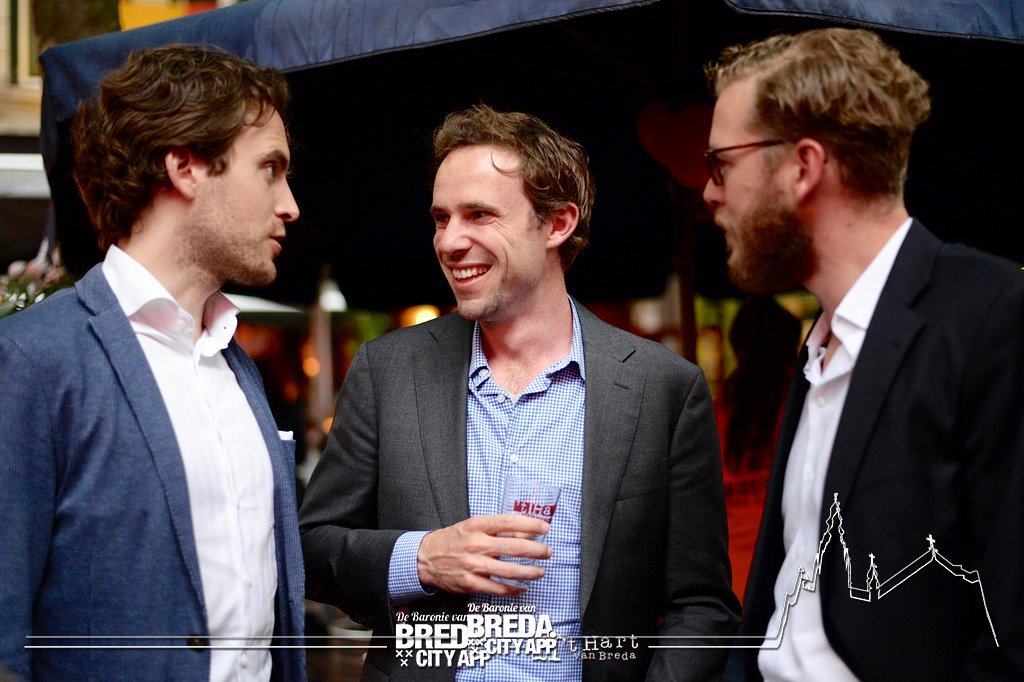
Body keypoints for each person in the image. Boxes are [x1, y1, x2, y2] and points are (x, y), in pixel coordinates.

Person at [300, 104, 740, 681]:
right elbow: (313, 549)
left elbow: (702, 607)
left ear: (557, 224)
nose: (449, 241)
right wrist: (421, 559)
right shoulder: (388, 371)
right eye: (440, 218)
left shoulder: (662, 389)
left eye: (479, 215)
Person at [702, 27, 1024, 681]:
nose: (709, 193)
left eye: (721, 165)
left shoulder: (992, 316)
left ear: (802, 167)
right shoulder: (819, 346)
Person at [0, 45, 305, 681]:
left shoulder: (237, 367)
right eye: (270, 169)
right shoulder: (33, 360)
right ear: (185, 166)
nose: (290, 205)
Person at [714, 296, 800, 602]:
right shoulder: (804, 409)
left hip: (729, 586)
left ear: (737, 347)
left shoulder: (713, 413)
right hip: (790, 584)